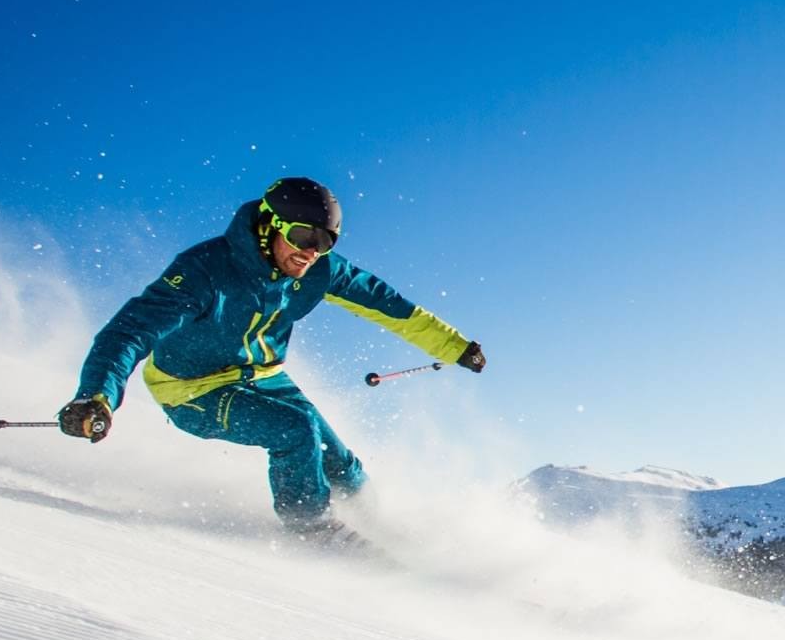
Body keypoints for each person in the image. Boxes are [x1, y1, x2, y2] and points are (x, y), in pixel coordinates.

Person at [59, 177, 485, 548]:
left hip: (264, 376)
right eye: (303, 237)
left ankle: (380, 529)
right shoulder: (204, 270)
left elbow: (386, 303)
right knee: (294, 431)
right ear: (269, 227)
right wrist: (97, 396)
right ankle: (313, 533)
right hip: (191, 388)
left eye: (325, 242)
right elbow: (130, 331)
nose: (311, 253)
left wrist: (456, 348)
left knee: (342, 464)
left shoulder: (319, 270)